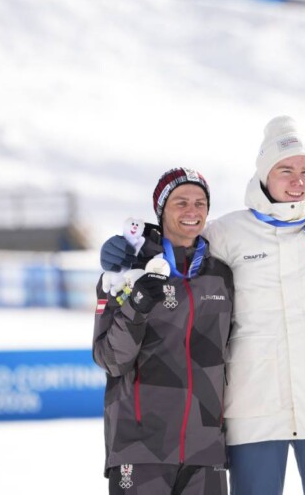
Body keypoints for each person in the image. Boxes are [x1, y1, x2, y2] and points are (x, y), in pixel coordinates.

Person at [99, 116, 305, 495]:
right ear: (264, 175)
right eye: (286, 170)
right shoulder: (229, 232)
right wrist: (126, 250)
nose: (298, 181)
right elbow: (179, 238)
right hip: (255, 402)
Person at [93, 167, 234, 495]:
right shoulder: (129, 269)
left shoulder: (221, 275)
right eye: (181, 202)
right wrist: (136, 307)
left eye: (200, 203)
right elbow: (111, 358)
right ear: (161, 210)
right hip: (140, 449)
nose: (192, 211)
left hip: (206, 451)